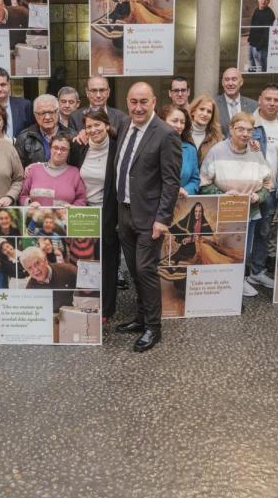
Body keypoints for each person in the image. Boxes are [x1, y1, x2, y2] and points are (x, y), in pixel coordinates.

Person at [114, 82, 181, 353]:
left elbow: (171, 181)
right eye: (133, 101)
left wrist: (163, 219)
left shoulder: (166, 134)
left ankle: (154, 327)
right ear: (127, 103)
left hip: (150, 217)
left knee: (145, 270)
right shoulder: (124, 127)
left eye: (144, 101)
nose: (138, 107)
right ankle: (141, 317)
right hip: (125, 212)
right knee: (133, 269)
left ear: (154, 102)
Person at [200, 112, 273, 297]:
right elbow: (204, 184)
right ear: (231, 129)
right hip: (223, 211)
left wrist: (258, 196)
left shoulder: (256, 152)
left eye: (249, 130)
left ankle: (239, 281)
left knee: (244, 250)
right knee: (222, 249)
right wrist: (224, 195)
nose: (245, 134)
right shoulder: (217, 151)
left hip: (250, 211)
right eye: (240, 129)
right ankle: (221, 284)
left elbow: (268, 184)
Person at [70, 109, 122, 320]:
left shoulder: (117, 148)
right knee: (84, 260)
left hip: (108, 212)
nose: (93, 130)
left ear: (107, 125)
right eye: (89, 126)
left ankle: (107, 309)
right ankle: (85, 303)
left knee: (108, 262)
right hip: (83, 212)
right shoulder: (79, 147)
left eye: (97, 125)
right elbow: (67, 169)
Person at [247, 84, 278, 289]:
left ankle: (256, 272)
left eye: (276, 100)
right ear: (260, 99)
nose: (272, 103)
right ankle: (239, 275)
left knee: (264, 232)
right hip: (251, 190)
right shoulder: (248, 123)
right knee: (246, 232)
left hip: (273, 190)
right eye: (268, 99)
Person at [19, 134, 87, 207]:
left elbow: (81, 200)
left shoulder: (74, 173)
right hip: (36, 216)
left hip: (64, 217)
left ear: (69, 152)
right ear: (50, 149)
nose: (59, 152)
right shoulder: (34, 169)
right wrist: (29, 203)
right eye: (55, 148)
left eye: (63, 149)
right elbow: (22, 196)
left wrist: (74, 208)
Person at [14, 94, 75, 168]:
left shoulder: (72, 136)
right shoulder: (24, 137)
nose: (47, 117)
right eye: (42, 113)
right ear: (35, 115)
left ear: (58, 112)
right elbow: (18, 170)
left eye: (51, 112)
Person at [161, 104, 200, 197]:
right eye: (175, 121)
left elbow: (195, 180)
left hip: (182, 203)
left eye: (182, 122)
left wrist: (184, 190)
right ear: (162, 122)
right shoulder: (152, 145)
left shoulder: (190, 150)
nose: (179, 126)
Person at [214, 67, 258, 137]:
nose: (230, 83)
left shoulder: (254, 105)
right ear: (222, 83)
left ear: (241, 82)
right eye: (227, 80)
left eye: (234, 79)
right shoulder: (213, 104)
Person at [188, 94, 224, 166]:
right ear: (193, 111)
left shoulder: (217, 139)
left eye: (209, 112)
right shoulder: (182, 134)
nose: (205, 114)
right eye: (201, 109)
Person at [247, 0, 276, 73]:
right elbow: (253, 27)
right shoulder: (256, 10)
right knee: (251, 66)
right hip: (251, 44)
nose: (264, 1)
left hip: (260, 48)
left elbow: (268, 33)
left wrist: (259, 46)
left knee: (260, 69)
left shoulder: (270, 14)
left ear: (269, 1)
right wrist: (249, 40)